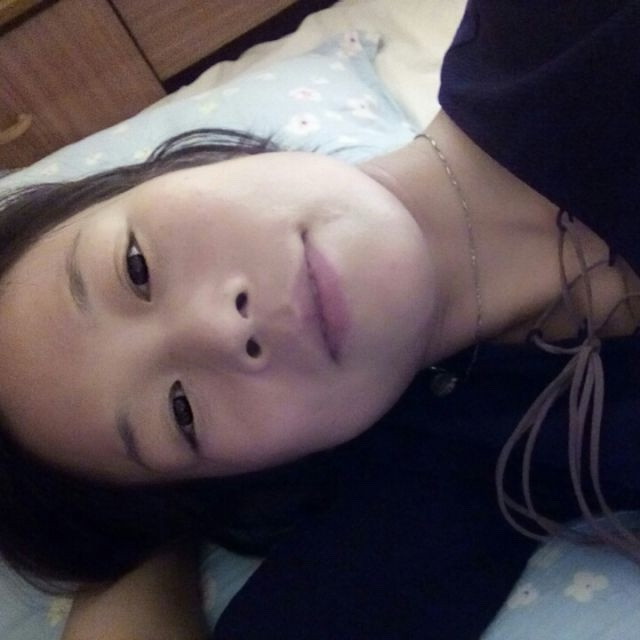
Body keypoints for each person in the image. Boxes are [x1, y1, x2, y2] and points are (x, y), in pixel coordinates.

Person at [1, 1, 640, 638]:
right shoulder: (454, 467)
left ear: (171, 170)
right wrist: (138, 536)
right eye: (182, 411)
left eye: (136, 267)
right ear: (251, 472)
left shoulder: (557, 29)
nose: (223, 329)